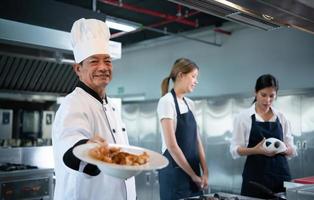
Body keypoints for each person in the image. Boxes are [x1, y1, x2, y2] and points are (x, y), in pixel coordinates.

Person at [52, 18, 136, 200]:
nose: (103, 67)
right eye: (94, 62)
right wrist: (86, 148)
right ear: (78, 69)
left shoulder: (111, 106)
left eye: (107, 61)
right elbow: (71, 153)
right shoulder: (73, 104)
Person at [230, 74, 297, 199]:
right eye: (263, 95)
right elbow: (235, 149)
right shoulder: (243, 117)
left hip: (280, 176)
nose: (268, 100)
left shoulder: (281, 117)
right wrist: (256, 150)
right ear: (255, 92)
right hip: (255, 179)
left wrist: (284, 148)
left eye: (272, 96)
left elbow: (292, 149)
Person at [157, 58, 209, 200]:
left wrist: (205, 171)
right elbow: (172, 146)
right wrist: (193, 175)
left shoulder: (190, 104)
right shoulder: (166, 101)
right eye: (193, 76)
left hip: (193, 172)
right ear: (181, 75)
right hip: (176, 175)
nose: (196, 81)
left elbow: (197, 141)